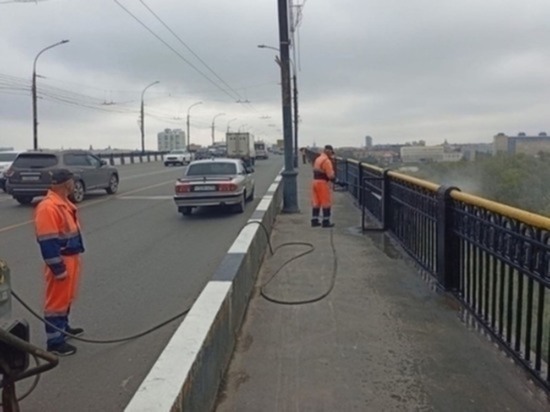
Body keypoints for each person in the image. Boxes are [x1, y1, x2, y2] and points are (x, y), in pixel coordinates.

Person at [34, 169, 85, 356]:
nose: (74, 185)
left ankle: (63, 328)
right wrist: (58, 269)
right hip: (61, 261)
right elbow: (47, 242)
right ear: (67, 184)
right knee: (56, 303)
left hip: (71, 257)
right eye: (72, 182)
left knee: (66, 298)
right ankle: (54, 341)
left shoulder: (63, 203)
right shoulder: (48, 207)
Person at [311, 145, 337, 228]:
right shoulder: (326, 161)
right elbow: (330, 175)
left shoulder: (318, 159)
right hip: (323, 183)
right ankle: (326, 222)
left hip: (315, 182)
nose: (331, 155)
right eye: (331, 153)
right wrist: (336, 181)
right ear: (329, 151)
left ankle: (314, 221)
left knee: (316, 202)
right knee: (326, 202)